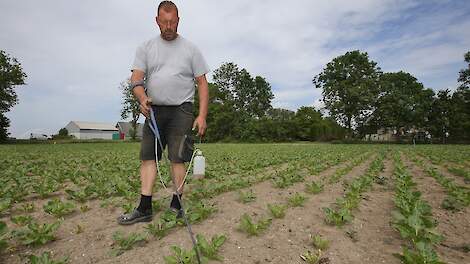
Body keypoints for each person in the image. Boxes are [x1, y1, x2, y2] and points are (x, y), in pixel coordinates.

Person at [117, 1, 209, 225]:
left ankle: (176, 205)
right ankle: (144, 208)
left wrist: (202, 115)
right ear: (157, 21)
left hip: (182, 110)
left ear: (178, 20)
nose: (169, 26)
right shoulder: (146, 47)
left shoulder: (191, 49)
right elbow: (136, 80)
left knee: (178, 157)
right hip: (154, 110)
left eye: (173, 22)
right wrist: (142, 98)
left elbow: (203, 83)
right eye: (164, 22)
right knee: (148, 157)